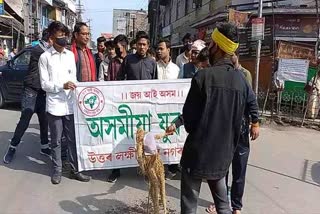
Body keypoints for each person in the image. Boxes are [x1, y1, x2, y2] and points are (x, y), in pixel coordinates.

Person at [177, 22, 259, 214]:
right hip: (223, 155)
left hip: (197, 154)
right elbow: (251, 106)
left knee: (190, 203)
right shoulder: (241, 80)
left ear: (217, 47)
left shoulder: (203, 77)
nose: (209, 47)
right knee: (223, 204)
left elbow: (189, 120)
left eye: (211, 43)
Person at [206, 54, 259, 214]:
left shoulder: (243, 75)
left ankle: (237, 206)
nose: (231, 57)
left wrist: (255, 122)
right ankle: (221, 202)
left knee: (239, 170)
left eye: (233, 54)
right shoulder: (217, 74)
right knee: (222, 170)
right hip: (222, 131)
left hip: (241, 130)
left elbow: (251, 100)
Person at [39, 21, 90, 185]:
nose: (63, 38)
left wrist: (76, 87)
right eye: (60, 35)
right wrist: (62, 86)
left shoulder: (70, 55)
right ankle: (57, 171)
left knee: (72, 139)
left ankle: (75, 170)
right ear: (52, 38)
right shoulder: (45, 57)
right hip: (55, 106)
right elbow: (44, 84)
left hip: (70, 104)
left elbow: (74, 78)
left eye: (64, 35)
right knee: (56, 141)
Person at [108, 31, 157, 183]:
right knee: (121, 137)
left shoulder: (152, 62)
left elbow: (156, 85)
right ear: (135, 45)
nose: (141, 47)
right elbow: (119, 79)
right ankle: (116, 170)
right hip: (129, 108)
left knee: (146, 140)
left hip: (145, 108)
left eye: (144, 44)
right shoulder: (128, 60)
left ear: (148, 46)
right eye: (139, 44)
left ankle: (147, 170)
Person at [3, 29, 52, 164]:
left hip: (43, 92)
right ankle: (12, 147)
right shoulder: (39, 50)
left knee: (44, 120)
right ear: (49, 38)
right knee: (25, 119)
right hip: (31, 90)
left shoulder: (49, 50)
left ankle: (44, 147)